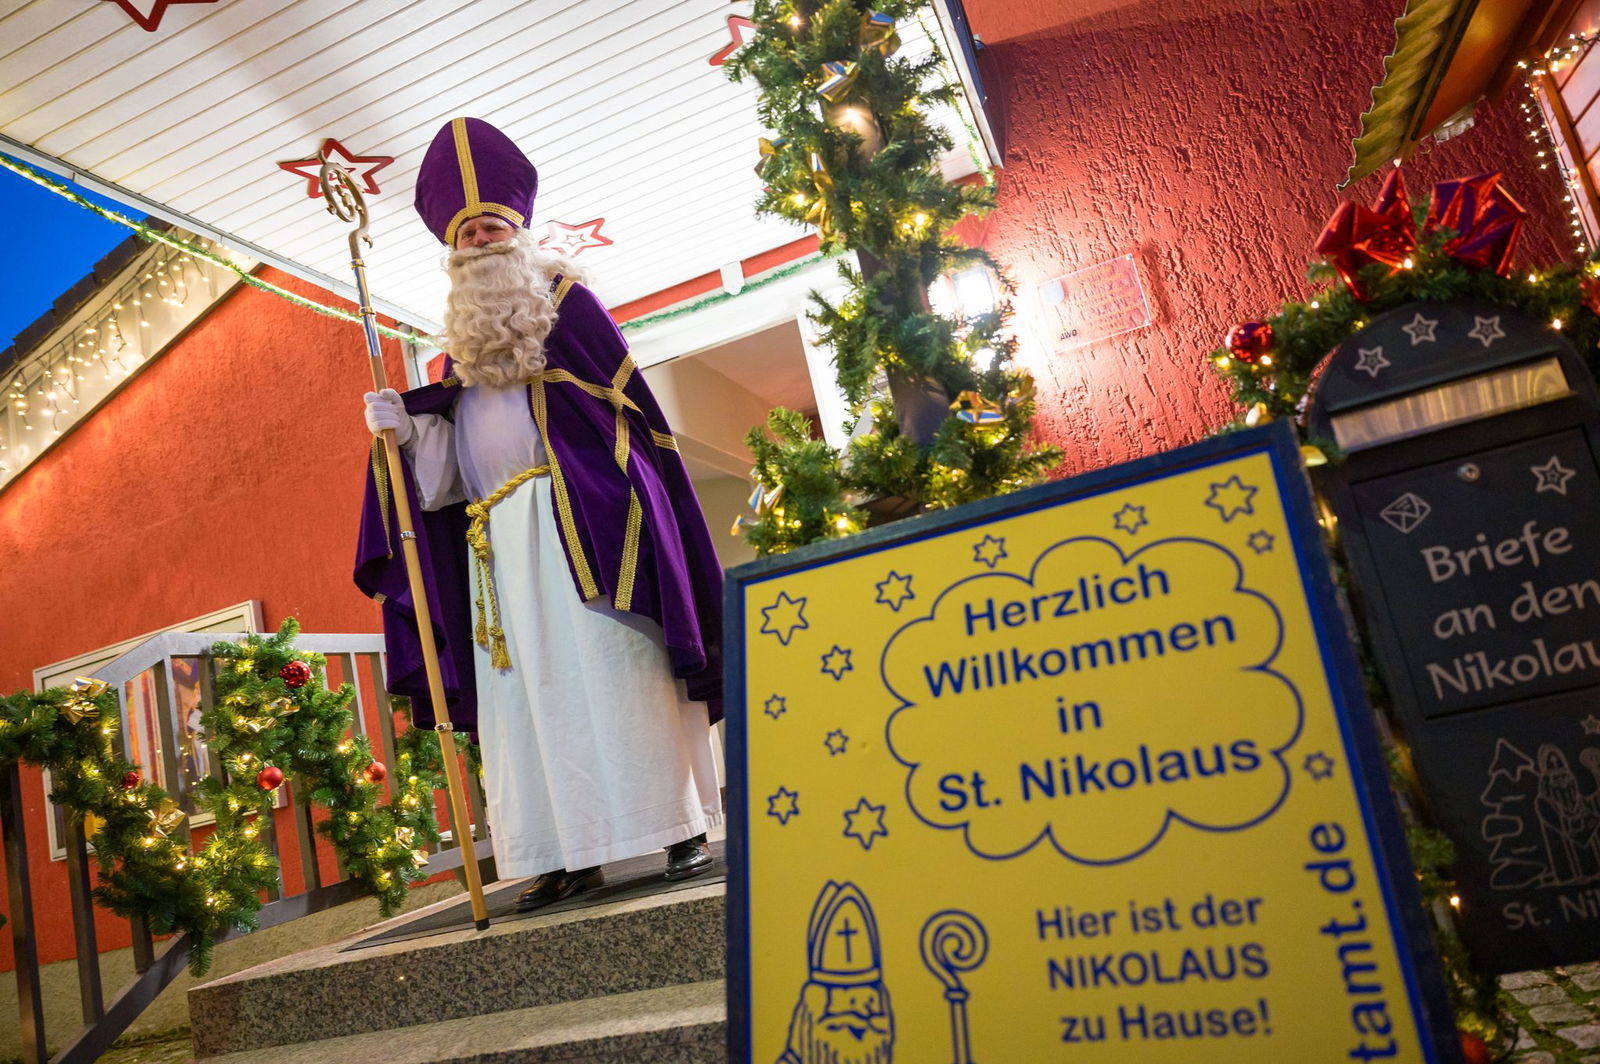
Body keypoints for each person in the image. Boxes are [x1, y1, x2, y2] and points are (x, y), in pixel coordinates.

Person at [354, 117, 724, 910]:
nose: (483, 241)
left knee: (615, 672)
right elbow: (449, 482)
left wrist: (598, 494)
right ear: (453, 256)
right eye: (469, 234)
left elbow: (627, 422)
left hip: (584, 527)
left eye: (493, 227)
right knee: (528, 701)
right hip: (497, 549)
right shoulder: (458, 354)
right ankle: (563, 850)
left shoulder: (568, 309)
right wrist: (408, 429)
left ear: (518, 233)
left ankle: (676, 827)